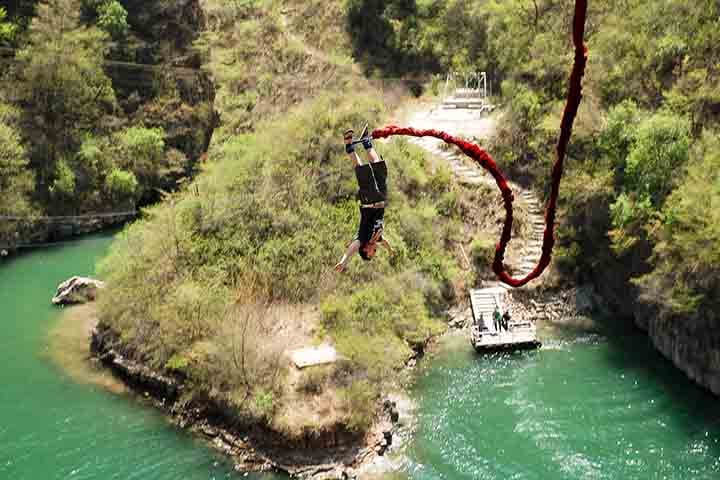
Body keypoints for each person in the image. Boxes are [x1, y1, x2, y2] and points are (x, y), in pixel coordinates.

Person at [335, 125, 394, 272]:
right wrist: (390, 250)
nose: (375, 251)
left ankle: (349, 146)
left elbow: (352, 249)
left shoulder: (363, 238)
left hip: (369, 201)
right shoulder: (376, 238)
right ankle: (366, 143)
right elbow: (384, 242)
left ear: (366, 250)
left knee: (362, 171)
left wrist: (343, 262)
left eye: (372, 253)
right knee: (379, 168)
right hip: (381, 198)